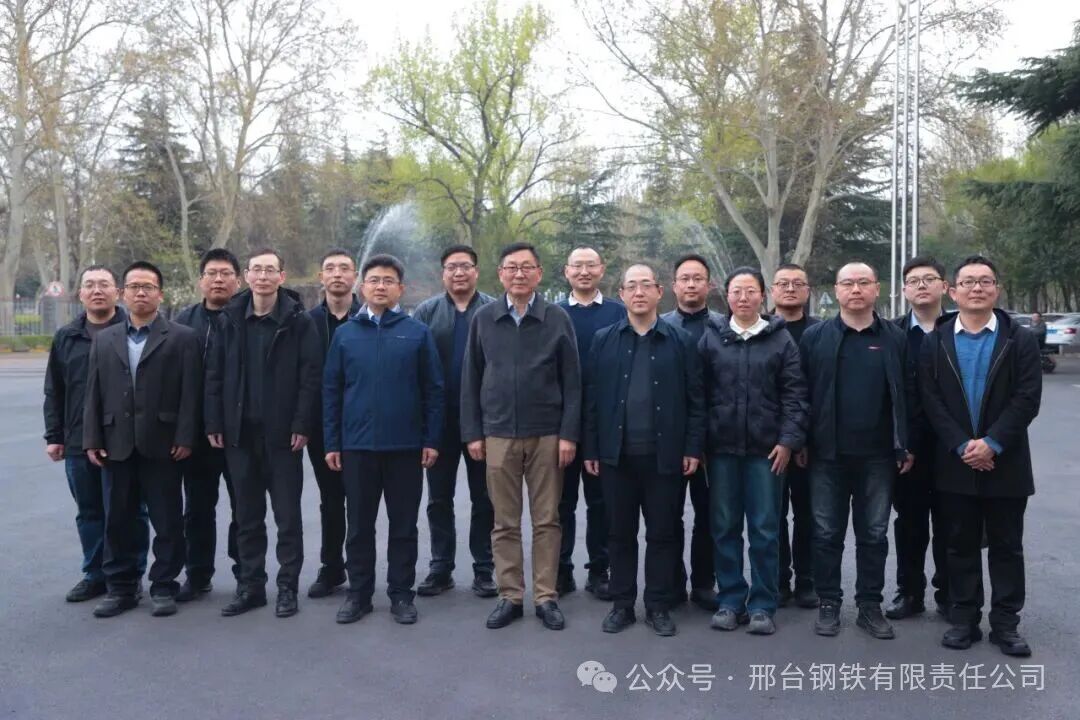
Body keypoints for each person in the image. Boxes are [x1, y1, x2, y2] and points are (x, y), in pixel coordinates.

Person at [920, 255, 1041, 657]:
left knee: (1007, 547)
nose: (977, 288)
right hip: (954, 463)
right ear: (953, 292)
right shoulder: (935, 340)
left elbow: (1027, 398)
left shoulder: (1019, 339)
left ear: (997, 290)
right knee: (959, 544)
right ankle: (964, 619)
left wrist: (992, 443)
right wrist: (962, 445)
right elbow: (931, 400)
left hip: (1006, 461)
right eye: (968, 281)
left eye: (985, 281)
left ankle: (1006, 624)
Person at [462, 242, 581, 631]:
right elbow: (471, 378)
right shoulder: (484, 318)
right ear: (500, 274)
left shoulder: (556, 318)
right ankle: (510, 595)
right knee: (504, 522)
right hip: (498, 434)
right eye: (511, 267)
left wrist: (568, 434)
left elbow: (573, 381)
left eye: (526, 267)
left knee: (547, 520)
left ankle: (546, 596)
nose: (519, 274)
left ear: (539, 273)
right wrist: (473, 433)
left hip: (547, 434)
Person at [583, 264, 704, 637]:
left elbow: (696, 400)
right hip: (616, 455)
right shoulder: (604, 339)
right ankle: (622, 605)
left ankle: (658, 605)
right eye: (631, 286)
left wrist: (692, 447)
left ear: (659, 292)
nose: (639, 292)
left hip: (664, 455)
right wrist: (591, 447)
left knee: (662, 533)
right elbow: (592, 399)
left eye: (645, 285)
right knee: (619, 533)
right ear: (621, 294)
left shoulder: (680, 340)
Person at [324, 254, 444, 625]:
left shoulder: (417, 333)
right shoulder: (345, 335)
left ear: (400, 289)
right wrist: (332, 442)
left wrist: (431, 439)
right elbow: (332, 391)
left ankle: (401, 594)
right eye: (374, 280)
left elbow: (433, 390)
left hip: (405, 447)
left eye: (388, 281)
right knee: (359, 526)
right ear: (363, 287)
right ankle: (358, 595)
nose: (380, 286)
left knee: (403, 527)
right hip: (357, 447)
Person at [799, 262, 915, 639]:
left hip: (879, 456)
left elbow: (909, 395)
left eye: (863, 282)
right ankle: (828, 602)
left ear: (876, 288)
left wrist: (906, 443)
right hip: (826, 455)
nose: (856, 290)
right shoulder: (816, 337)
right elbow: (800, 394)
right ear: (836, 290)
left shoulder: (895, 338)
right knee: (826, 534)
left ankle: (869, 605)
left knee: (874, 535)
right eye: (848, 283)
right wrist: (801, 441)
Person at [204, 248, 321, 619]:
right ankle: (251, 586)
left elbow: (310, 377)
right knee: (247, 516)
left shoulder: (299, 321)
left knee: (287, 518)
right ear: (247, 276)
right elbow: (214, 375)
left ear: (281, 277)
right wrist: (214, 422)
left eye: (271, 270)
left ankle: (287, 588)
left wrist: (302, 424)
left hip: (283, 438)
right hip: (239, 436)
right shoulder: (229, 319)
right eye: (257, 269)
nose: (263, 276)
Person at [83, 261, 202, 618]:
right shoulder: (105, 339)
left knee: (167, 520)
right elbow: (94, 393)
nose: (140, 293)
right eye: (134, 287)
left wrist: (185, 436)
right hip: (116, 443)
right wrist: (92, 438)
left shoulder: (182, 337)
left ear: (159, 294)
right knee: (118, 519)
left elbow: (191, 393)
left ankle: (164, 585)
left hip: (163, 443)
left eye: (148, 287)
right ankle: (121, 587)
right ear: (123, 293)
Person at [702, 268, 808, 636]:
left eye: (750, 291)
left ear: (763, 296)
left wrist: (788, 441)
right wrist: (701, 444)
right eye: (736, 291)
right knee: (724, 527)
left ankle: (763, 603)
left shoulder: (780, 339)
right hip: (721, 450)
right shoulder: (712, 338)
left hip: (767, 452)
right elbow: (699, 394)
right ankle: (731, 599)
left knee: (765, 528)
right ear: (726, 296)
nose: (743, 298)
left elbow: (795, 394)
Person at [43, 266, 149, 603]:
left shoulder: (133, 331)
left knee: (129, 511)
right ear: (81, 294)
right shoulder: (67, 337)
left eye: (104, 284)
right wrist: (54, 436)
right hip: (78, 439)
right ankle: (95, 574)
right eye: (89, 285)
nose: (97, 290)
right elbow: (55, 390)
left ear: (117, 292)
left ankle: (130, 574)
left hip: (124, 439)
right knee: (89, 511)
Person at [412, 245, 497, 599]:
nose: (459, 272)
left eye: (465, 266)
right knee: (438, 499)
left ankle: (484, 568)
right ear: (442, 273)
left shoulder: (493, 310)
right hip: (440, 421)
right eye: (451, 267)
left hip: (484, 420)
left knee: (485, 498)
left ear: (476, 271)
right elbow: (415, 368)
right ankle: (440, 567)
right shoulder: (426, 312)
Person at [173, 248, 242, 602]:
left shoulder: (248, 318)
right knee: (198, 509)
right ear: (201, 281)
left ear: (238, 281)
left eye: (226, 274)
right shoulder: (183, 323)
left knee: (245, 508)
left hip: (241, 433)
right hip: (197, 435)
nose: (218, 280)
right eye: (212, 274)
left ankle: (246, 574)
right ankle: (198, 575)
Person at [886, 256, 951, 621]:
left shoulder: (959, 329)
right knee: (909, 523)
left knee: (951, 522)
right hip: (908, 448)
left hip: (952, 446)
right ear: (904, 290)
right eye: (914, 280)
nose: (922, 285)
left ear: (945, 286)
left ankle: (949, 592)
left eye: (929, 279)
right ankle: (909, 592)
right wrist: (900, 443)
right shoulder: (892, 334)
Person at [556, 247, 623, 599]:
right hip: (561, 425)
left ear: (602, 270)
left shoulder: (618, 312)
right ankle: (560, 570)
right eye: (577, 266)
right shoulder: (554, 314)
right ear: (566, 271)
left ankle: (600, 569)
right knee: (560, 504)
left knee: (602, 503)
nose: (584, 271)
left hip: (605, 423)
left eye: (590, 265)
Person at [660, 254, 720, 611]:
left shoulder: (724, 326)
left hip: (715, 439)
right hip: (669, 437)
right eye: (685, 278)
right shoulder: (661, 327)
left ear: (709, 285)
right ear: (674, 285)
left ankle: (703, 582)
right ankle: (672, 582)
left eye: (698, 278)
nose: (692, 284)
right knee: (668, 515)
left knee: (710, 516)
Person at [304, 248, 361, 599]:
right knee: (330, 499)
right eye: (330, 268)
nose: (337, 274)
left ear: (355, 276)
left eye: (344, 268)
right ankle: (331, 566)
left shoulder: (368, 318)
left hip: (361, 424)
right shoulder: (305, 322)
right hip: (320, 425)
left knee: (360, 500)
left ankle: (359, 568)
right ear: (321, 277)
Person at [769, 262, 819, 609]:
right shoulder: (761, 330)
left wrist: (804, 439)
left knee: (808, 516)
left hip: (810, 444)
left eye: (797, 283)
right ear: (772, 291)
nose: (790, 289)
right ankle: (777, 580)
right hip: (768, 442)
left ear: (807, 291)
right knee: (771, 516)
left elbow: (822, 390)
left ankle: (807, 581)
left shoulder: (821, 332)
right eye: (783, 283)